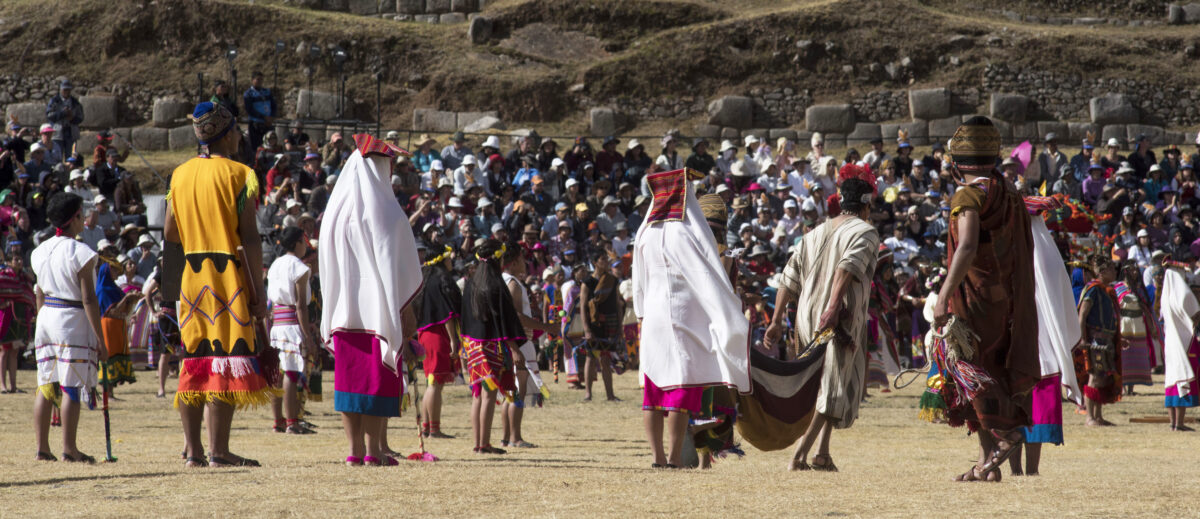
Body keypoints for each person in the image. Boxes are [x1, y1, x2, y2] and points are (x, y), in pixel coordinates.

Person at [164, 102, 272, 468]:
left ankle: (193, 451)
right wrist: (258, 292)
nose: (240, 136)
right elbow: (251, 238)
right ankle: (219, 451)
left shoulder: (179, 175)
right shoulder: (241, 174)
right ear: (225, 134)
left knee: (194, 360)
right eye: (237, 130)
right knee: (224, 360)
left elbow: (169, 233)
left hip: (192, 279)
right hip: (227, 278)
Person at [931, 117, 1038, 483]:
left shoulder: (967, 195)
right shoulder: (1008, 192)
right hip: (1007, 298)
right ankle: (986, 464)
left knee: (970, 369)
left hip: (975, 297)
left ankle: (1005, 434)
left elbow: (968, 246)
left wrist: (944, 294)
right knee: (991, 367)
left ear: (957, 163)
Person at [632, 167, 750, 468]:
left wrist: (642, 312)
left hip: (653, 317)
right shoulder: (684, 232)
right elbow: (704, 274)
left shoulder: (646, 232)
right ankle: (673, 459)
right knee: (681, 389)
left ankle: (658, 458)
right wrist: (725, 309)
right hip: (681, 316)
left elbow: (638, 280)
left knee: (653, 390)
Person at [319, 133, 423, 466]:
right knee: (379, 382)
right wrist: (404, 312)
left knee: (349, 385)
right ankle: (375, 450)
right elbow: (401, 269)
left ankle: (355, 451)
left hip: (344, 312)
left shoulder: (335, 214)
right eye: (387, 164)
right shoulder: (388, 214)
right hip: (378, 314)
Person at [763, 177, 879, 472]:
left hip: (805, 316)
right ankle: (800, 455)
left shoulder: (814, 232)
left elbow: (787, 277)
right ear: (866, 204)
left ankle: (822, 453)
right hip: (837, 317)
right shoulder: (865, 232)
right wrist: (831, 308)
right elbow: (847, 268)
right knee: (833, 385)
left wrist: (776, 319)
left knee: (829, 382)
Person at [1008, 197, 1082, 477]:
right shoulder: (1046, 254)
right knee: (1020, 405)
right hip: (1032, 342)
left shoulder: (1038, 253)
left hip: (1033, 340)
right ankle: (1026, 470)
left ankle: (1025, 470)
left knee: (1025, 405)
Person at [32, 193, 107, 463]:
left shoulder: (39, 250)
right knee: (71, 386)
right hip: (70, 318)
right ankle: (69, 448)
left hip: (46, 317)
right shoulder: (81, 252)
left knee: (45, 383)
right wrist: (100, 338)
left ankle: (43, 448)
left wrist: (43, 321)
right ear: (75, 218)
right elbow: (89, 298)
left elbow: (39, 292)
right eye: (80, 216)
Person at [461, 239, 527, 455]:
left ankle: (478, 443)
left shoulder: (471, 282)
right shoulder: (496, 285)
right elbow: (504, 321)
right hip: (489, 345)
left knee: (478, 393)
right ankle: (484, 444)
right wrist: (515, 349)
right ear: (498, 258)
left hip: (472, 343)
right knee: (489, 394)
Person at [500, 244, 559, 448]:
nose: (525, 263)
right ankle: (515, 437)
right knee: (518, 391)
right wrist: (546, 327)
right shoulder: (513, 284)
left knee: (511, 390)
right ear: (515, 261)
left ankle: (507, 437)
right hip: (518, 341)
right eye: (522, 260)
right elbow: (517, 317)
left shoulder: (502, 281)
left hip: (509, 341)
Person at [267, 227, 315, 435]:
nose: (305, 247)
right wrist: (308, 336)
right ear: (297, 243)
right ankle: (292, 422)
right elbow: (300, 306)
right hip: (292, 325)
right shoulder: (299, 268)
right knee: (291, 372)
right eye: (304, 242)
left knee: (278, 373)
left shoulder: (275, 265)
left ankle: (279, 420)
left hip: (277, 324)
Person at [416, 245, 463, 439]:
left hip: (424, 334)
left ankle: (428, 427)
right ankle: (433, 429)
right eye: (449, 258)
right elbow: (447, 314)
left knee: (431, 382)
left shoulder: (424, 279)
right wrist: (454, 340)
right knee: (435, 383)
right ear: (442, 260)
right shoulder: (441, 280)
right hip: (439, 334)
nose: (451, 261)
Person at [1075, 255, 1122, 427]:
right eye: (1111, 269)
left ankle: (1098, 416)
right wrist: (1081, 338)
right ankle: (1089, 417)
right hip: (1095, 340)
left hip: (1106, 340)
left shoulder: (1105, 290)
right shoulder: (1093, 289)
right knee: (1094, 377)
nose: (1114, 271)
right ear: (1102, 272)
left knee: (1103, 377)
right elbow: (1082, 315)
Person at [1160, 262, 1200, 431]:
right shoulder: (1182, 293)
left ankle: (1172, 422)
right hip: (1184, 340)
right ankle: (1180, 423)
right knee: (1182, 376)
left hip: (1170, 341)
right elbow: (1195, 314)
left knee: (1172, 378)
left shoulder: (1165, 296)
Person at [578, 254, 624, 402]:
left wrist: (620, 325)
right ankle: (588, 394)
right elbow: (583, 307)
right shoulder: (587, 282)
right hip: (594, 324)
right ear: (594, 262)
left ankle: (610, 395)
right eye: (602, 259)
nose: (605, 262)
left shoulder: (612, 280)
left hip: (609, 323)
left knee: (606, 359)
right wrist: (587, 329)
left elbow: (617, 304)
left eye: (606, 259)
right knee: (590, 358)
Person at [96, 259, 141, 390]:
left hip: (117, 326)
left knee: (116, 354)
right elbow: (112, 311)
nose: (117, 273)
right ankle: (108, 392)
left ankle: (111, 391)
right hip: (108, 326)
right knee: (109, 355)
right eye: (114, 270)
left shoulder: (115, 288)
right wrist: (127, 298)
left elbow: (123, 310)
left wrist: (132, 300)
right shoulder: (103, 289)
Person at [0, 250, 34, 394]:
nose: (19, 262)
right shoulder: (3, 276)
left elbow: (27, 294)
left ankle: (13, 386)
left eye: (20, 259)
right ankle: (3, 385)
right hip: (5, 316)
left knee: (14, 352)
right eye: (16, 259)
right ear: (9, 262)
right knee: (3, 351)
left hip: (18, 316)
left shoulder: (23, 278)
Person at [45, 80, 83, 156]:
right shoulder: (54, 101)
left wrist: (72, 117)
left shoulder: (75, 102)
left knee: (71, 155)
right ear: (61, 90)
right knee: (57, 155)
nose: (66, 92)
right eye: (64, 90)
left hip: (71, 132)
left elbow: (81, 117)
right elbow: (49, 115)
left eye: (68, 90)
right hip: (58, 132)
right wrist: (62, 113)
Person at [243, 72, 276, 152]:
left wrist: (271, 117)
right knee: (257, 147)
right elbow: (249, 109)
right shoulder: (248, 94)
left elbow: (274, 105)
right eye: (258, 79)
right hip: (256, 124)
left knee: (270, 145)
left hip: (268, 123)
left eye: (261, 79)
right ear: (253, 80)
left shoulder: (267, 91)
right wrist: (264, 117)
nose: (260, 81)